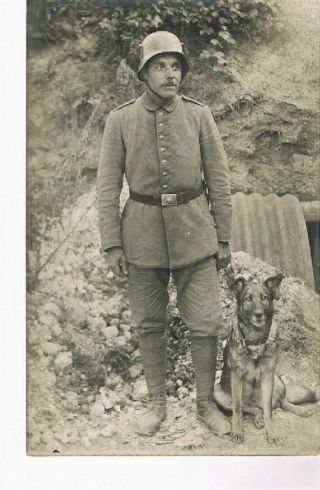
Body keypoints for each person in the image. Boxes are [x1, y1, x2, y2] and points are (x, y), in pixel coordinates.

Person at [97, 31, 232, 437]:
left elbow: (219, 181)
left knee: (206, 322)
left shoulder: (199, 115)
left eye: (176, 66)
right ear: (144, 73)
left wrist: (223, 237)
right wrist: (112, 243)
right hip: (141, 236)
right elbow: (107, 185)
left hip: (195, 234)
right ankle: (157, 404)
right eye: (160, 66)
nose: (170, 74)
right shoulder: (120, 120)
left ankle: (205, 404)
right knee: (149, 324)